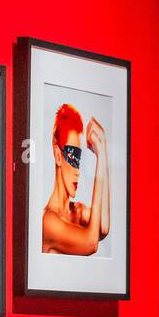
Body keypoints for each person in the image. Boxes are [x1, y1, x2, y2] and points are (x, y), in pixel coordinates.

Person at [42, 103, 110, 256]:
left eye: (79, 161)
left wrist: (103, 149)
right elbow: (91, 243)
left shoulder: (78, 211)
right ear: (58, 155)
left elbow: (103, 227)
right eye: (73, 157)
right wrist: (100, 159)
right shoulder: (48, 222)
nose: (78, 172)